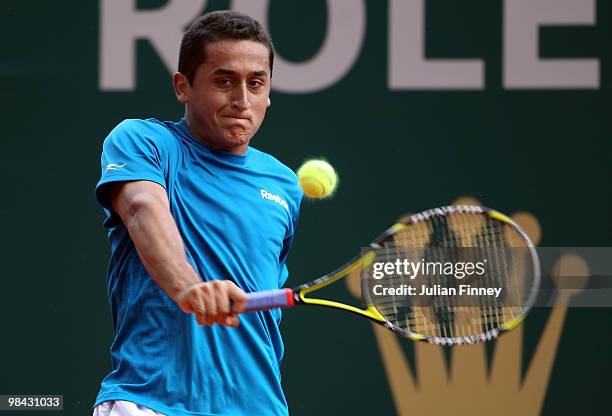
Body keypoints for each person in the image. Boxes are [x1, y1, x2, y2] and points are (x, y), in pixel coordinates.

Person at [92, 11, 302, 416]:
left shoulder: (284, 184)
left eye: (256, 83)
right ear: (182, 86)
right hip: (152, 403)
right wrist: (189, 288)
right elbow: (142, 209)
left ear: (269, 92)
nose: (242, 100)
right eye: (224, 81)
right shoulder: (143, 141)